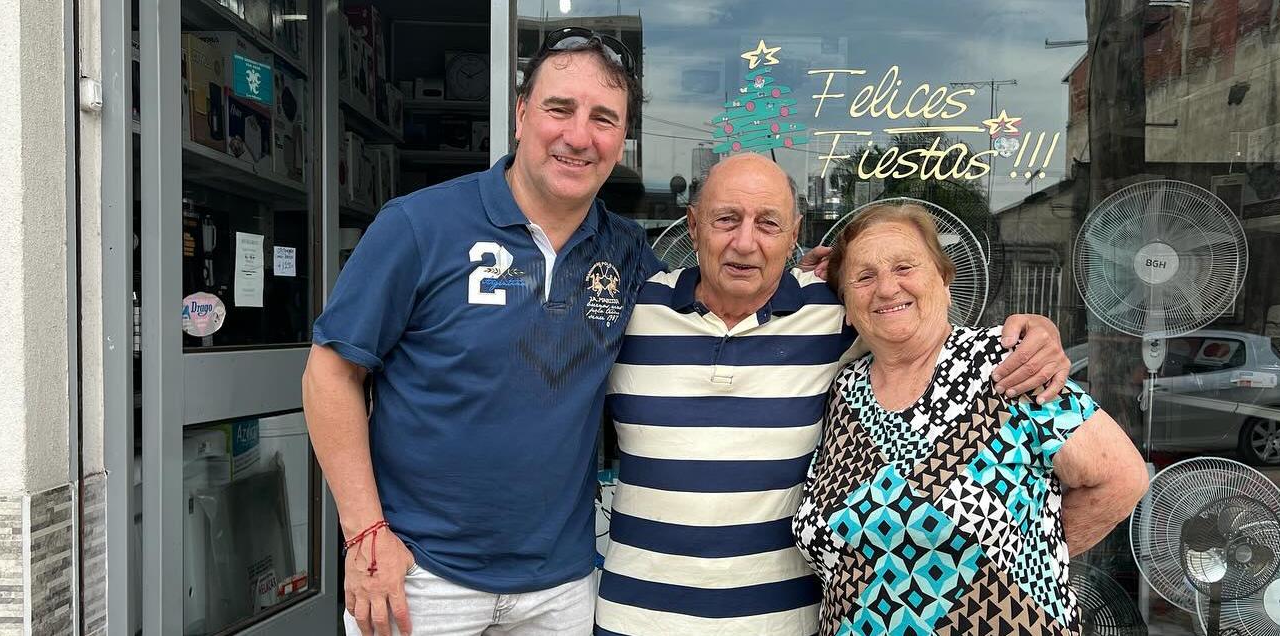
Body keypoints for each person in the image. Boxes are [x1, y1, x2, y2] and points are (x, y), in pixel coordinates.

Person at [594, 154, 1075, 635]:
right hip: (636, 619)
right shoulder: (627, 308)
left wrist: (1032, 334)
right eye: (726, 220)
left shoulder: (835, 313)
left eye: (768, 223)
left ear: (793, 234)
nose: (745, 241)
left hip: (781, 625)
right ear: (693, 225)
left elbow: (921, 328)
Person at [303, 29, 658, 636]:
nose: (578, 135)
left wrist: (827, 281)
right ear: (521, 115)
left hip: (563, 587)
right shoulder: (419, 225)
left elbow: (706, 321)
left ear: (623, 138)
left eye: (603, 118)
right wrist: (365, 536)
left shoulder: (628, 254)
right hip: (419, 578)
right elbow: (331, 373)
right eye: (559, 108)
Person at [791, 202, 1148, 635]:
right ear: (846, 303)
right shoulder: (841, 390)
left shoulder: (1006, 365)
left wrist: (1025, 559)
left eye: (905, 267)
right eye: (863, 277)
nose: (886, 288)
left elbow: (1123, 478)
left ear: (943, 279)